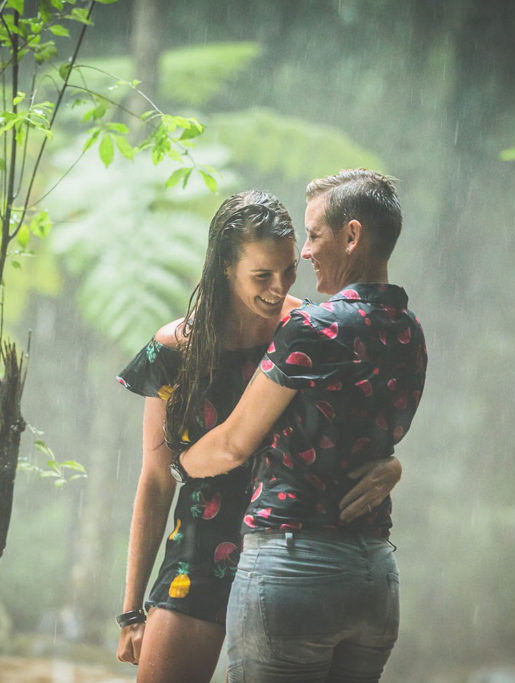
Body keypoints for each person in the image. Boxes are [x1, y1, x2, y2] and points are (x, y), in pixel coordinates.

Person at [114, 189, 403, 683]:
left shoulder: (309, 329)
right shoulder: (175, 348)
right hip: (201, 550)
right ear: (225, 266)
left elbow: (356, 429)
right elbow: (157, 480)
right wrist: (131, 610)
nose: (279, 287)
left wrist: (394, 464)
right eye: (262, 275)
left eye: (289, 270)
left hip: (290, 551)